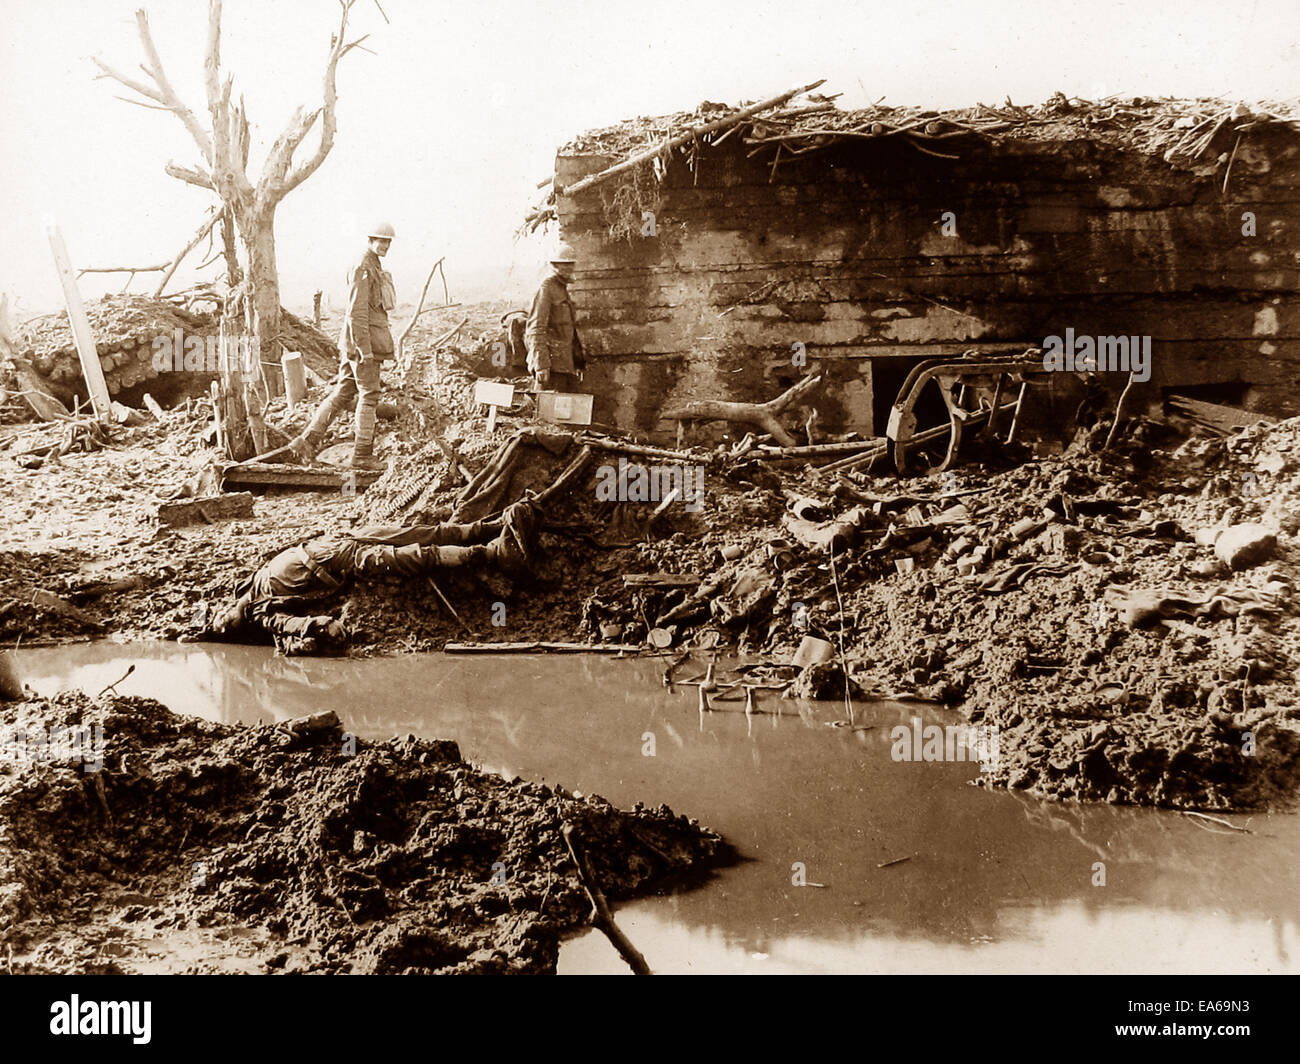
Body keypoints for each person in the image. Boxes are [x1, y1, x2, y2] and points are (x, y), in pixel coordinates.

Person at [182, 502, 537, 655]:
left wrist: (196, 627)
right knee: (413, 557)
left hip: (340, 539)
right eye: (225, 625)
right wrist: (321, 625)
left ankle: (489, 526)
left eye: (220, 617)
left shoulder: (246, 586)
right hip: (345, 560)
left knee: (421, 532)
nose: (225, 618)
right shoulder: (263, 613)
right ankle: (492, 552)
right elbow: (298, 625)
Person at [288, 222, 398, 470]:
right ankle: (361, 455)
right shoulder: (363, 266)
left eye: (388, 241)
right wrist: (365, 350)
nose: (385, 245)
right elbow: (356, 313)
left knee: (344, 392)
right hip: (361, 345)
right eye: (380, 240)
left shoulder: (372, 264)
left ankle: (305, 442)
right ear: (370, 240)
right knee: (369, 396)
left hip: (356, 344)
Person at [525, 242, 585, 393]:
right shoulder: (547, 288)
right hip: (551, 367)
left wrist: (577, 362)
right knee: (548, 413)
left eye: (570, 264)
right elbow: (536, 328)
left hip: (564, 365)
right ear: (554, 266)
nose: (568, 268)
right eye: (563, 265)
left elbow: (569, 331)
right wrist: (541, 364)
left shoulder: (562, 289)